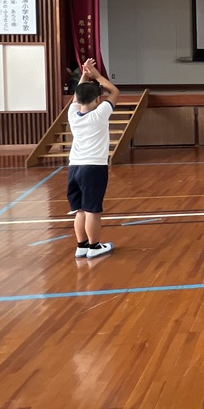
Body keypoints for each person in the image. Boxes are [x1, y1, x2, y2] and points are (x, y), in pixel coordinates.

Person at [68, 58, 119, 259]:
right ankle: (94, 246)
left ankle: (81, 246)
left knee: (80, 210)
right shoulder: (99, 115)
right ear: (98, 100)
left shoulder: (73, 115)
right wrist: (96, 75)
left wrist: (83, 76)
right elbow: (114, 92)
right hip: (94, 168)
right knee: (93, 211)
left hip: (74, 168)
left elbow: (76, 97)